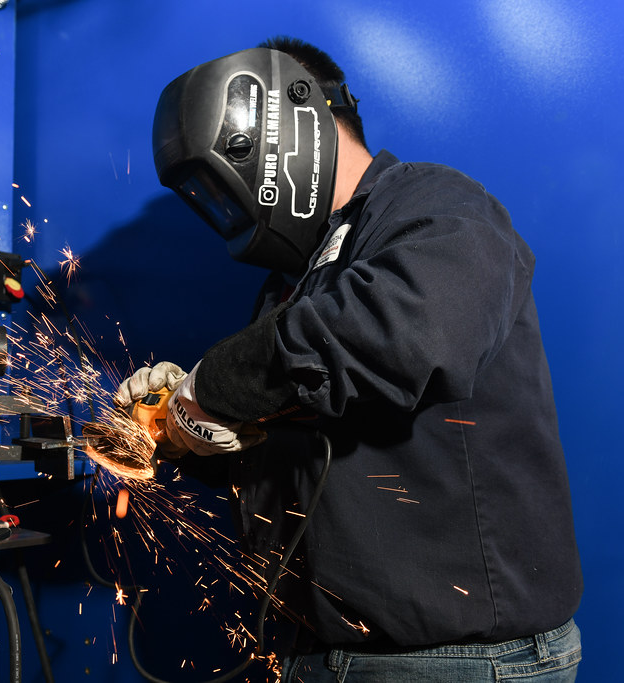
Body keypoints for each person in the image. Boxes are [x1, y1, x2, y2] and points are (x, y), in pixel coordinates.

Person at [115, 37, 583, 682]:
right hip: (326, 654)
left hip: (458, 664)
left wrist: (213, 386)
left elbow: (405, 334)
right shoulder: (296, 283)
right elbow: (298, 451)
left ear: (287, 115)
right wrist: (179, 434)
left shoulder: (438, 208)